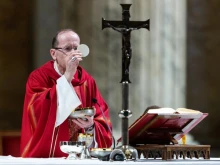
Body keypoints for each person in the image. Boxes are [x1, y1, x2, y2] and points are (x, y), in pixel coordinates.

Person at [20, 29, 112, 157]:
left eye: (76, 48)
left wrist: (91, 126)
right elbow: (36, 111)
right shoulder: (39, 77)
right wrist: (68, 75)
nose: (73, 53)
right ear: (53, 53)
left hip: (81, 156)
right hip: (48, 155)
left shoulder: (87, 81)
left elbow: (102, 116)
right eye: (68, 48)